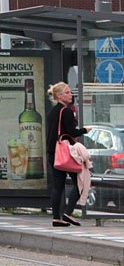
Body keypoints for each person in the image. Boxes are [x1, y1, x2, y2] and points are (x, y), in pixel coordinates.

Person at [46, 82, 89, 227]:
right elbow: (72, 132)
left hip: (53, 153)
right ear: (59, 95)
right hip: (66, 153)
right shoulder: (66, 111)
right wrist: (85, 130)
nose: (71, 95)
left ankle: (56, 218)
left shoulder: (53, 112)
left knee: (58, 186)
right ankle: (68, 213)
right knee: (81, 182)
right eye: (67, 92)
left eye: (70, 92)